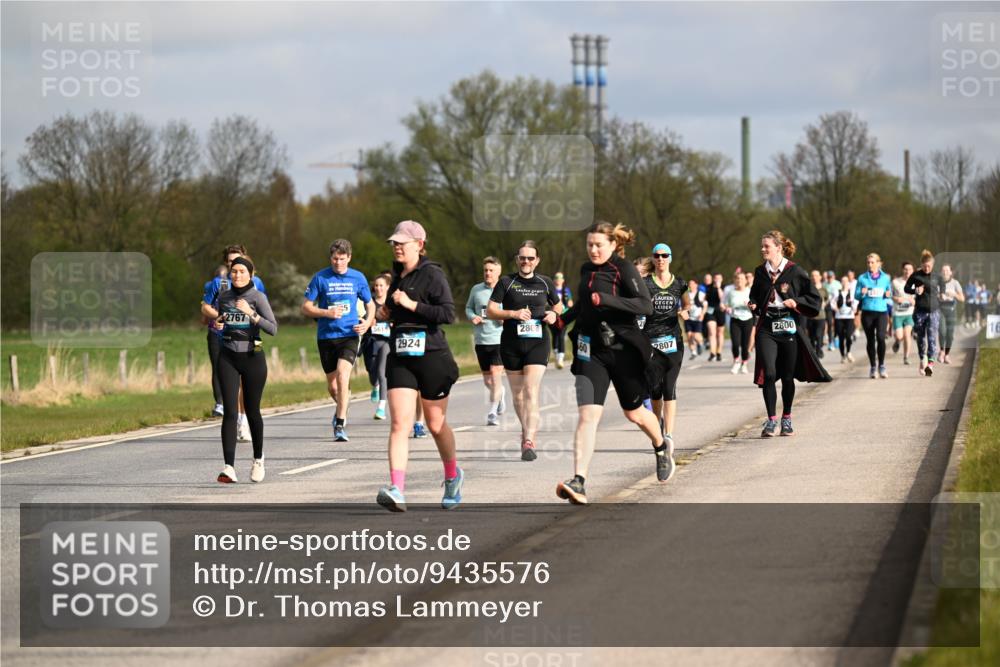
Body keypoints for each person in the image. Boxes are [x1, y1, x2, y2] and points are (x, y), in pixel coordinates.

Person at [554, 222, 668, 505]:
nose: (593, 250)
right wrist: (561, 320)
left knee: (634, 414)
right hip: (591, 351)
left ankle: (661, 445)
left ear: (614, 245)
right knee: (588, 416)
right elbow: (583, 304)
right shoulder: (586, 270)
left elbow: (645, 305)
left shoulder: (624, 269)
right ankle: (579, 481)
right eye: (589, 244)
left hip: (623, 351)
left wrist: (606, 299)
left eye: (598, 245)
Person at [376, 220, 462, 512]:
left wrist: (413, 305)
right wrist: (387, 311)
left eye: (403, 242)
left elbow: (448, 314)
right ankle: (397, 489)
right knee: (400, 423)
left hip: (432, 356)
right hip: (401, 356)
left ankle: (452, 476)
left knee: (436, 425)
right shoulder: (397, 276)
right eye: (394, 242)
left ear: (419, 245)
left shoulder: (433, 275)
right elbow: (393, 310)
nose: (397, 246)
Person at [748, 230, 831, 437]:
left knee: (786, 376)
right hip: (767, 327)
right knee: (768, 374)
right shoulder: (760, 272)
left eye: (766, 246)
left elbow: (813, 298)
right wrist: (753, 304)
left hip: (789, 326)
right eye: (762, 246)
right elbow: (755, 296)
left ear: (778, 248)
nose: (763, 249)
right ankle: (770, 421)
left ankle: (786, 418)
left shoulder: (795, 271)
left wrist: (797, 302)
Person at [488, 241, 560, 462]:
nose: (526, 261)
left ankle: (529, 439)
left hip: (538, 342)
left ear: (537, 261)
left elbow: (558, 306)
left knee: (531, 389)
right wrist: (513, 314)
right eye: (522, 258)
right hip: (511, 344)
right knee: (518, 396)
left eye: (530, 258)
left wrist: (554, 315)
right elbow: (491, 311)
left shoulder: (545, 282)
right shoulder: (506, 282)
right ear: (517, 260)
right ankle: (526, 428)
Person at [302, 239, 375, 442]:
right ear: (330, 258)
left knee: (343, 376)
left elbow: (371, 305)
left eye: (342, 259)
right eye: (335, 259)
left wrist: (367, 323)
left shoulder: (357, 278)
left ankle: (340, 424)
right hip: (326, 336)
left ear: (349, 258)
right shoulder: (320, 278)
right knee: (334, 387)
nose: (338, 263)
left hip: (350, 334)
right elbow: (305, 307)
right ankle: (341, 406)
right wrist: (326, 312)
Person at [213, 256, 277, 483]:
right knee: (230, 412)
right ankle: (228, 466)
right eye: (234, 271)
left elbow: (273, 328)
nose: (237, 275)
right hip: (228, 357)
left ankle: (258, 459)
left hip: (252, 357)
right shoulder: (224, 296)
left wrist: (252, 314)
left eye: (241, 271)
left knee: (252, 411)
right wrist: (218, 324)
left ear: (250, 274)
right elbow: (221, 322)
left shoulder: (258, 297)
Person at [201, 244, 267, 440]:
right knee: (233, 382)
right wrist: (221, 316)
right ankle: (236, 419)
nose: (234, 266)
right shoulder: (219, 284)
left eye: (237, 260)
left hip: (251, 338)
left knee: (248, 383)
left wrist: (253, 317)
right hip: (222, 337)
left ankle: (245, 420)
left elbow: (264, 310)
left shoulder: (257, 283)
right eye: (230, 263)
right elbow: (205, 308)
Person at [643, 243, 689, 472]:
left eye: (665, 255)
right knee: (655, 391)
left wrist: (686, 311)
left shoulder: (680, 283)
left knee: (670, 386)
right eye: (657, 256)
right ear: (653, 259)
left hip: (674, 343)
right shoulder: (646, 284)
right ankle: (658, 424)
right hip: (651, 343)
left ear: (670, 258)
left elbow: (687, 303)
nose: (661, 259)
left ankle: (668, 436)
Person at [465, 257, 506, 426]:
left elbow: (513, 311)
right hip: (481, 340)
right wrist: (473, 316)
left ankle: (492, 412)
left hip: (500, 339)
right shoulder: (476, 289)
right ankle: (500, 394)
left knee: (496, 375)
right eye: (485, 270)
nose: (487, 273)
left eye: (491, 270)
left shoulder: (505, 290)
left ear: (498, 272)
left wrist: (504, 318)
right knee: (488, 381)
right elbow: (468, 308)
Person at [905, 249, 944, 377]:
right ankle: (923, 358)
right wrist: (915, 290)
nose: (927, 268)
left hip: (934, 311)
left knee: (932, 336)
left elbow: (942, 285)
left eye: (929, 266)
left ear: (932, 265)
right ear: (921, 265)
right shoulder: (916, 275)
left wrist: (942, 294)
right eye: (925, 266)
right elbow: (906, 288)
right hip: (920, 312)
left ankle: (930, 364)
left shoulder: (937, 276)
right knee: (921, 337)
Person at [855, 253, 893, 379]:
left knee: (881, 338)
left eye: (872, 262)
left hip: (882, 312)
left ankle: (881, 365)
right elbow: (856, 295)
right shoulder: (862, 278)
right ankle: (872, 367)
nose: (870, 265)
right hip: (867, 313)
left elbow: (890, 292)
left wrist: (888, 294)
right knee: (870, 340)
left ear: (878, 263)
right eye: (868, 262)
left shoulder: (885, 278)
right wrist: (862, 292)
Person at [362, 272, 393, 419]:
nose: (379, 288)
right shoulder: (369, 303)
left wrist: (393, 323)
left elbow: (399, 317)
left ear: (387, 287)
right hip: (371, 341)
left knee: (382, 373)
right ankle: (375, 386)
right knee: (372, 371)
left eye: (381, 285)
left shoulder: (392, 303)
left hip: (387, 341)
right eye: (376, 286)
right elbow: (361, 319)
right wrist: (368, 322)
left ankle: (381, 407)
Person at [725, 270, 753, 374]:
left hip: (747, 319)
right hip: (735, 319)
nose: (739, 281)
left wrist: (750, 306)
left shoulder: (750, 291)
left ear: (746, 280)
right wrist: (727, 308)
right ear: (734, 281)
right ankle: (736, 361)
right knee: (735, 343)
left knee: (745, 345)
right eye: (737, 279)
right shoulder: (731, 292)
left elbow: (755, 306)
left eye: (741, 279)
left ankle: (744, 363)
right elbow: (725, 304)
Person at [938, 264, 965, 364]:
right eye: (943, 270)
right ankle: (941, 351)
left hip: (951, 311)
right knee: (942, 331)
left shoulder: (955, 283)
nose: (945, 272)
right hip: (940, 310)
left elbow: (962, 298)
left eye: (947, 270)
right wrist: (939, 296)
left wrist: (953, 294)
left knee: (950, 335)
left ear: (950, 272)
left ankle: (947, 354)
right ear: (941, 273)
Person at [891, 262, 916, 365]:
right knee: (900, 336)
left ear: (913, 271)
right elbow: (890, 295)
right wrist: (896, 299)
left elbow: (919, 297)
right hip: (898, 313)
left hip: (909, 313)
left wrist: (914, 302)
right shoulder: (896, 282)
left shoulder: (916, 283)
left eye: (910, 269)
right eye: (905, 269)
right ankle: (897, 341)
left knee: (907, 335)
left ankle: (906, 357)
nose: (907, 271)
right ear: (902, 270)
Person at [550, 271, 574, 369]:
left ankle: (560, 359)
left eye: (560, 279)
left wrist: (570, 304)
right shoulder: (551, 290)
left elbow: (570, 302)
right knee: (554, 335)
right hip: (553, 316)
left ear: (563, 280)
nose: (558, 280)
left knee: (561, 335)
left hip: (564, 316)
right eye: (556, 278)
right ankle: (556, 354)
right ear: (554, 280)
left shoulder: (566, 290)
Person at [833, 276, 858, 363]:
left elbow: (855, 302)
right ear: (841, 282)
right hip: (839, 317)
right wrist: (835, 308)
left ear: (848, 282)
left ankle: (848, 352)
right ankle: (842, 355)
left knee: (848, 336)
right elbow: (832, 302)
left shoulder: (852, 293)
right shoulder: (837, 292)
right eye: (843, 281)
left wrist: (854, 308)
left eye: (846, 281)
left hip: (849, 317)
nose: (844, 283)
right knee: (841, 337)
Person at [807, 270, 829, 360]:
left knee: (818, 335)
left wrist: (824, 303)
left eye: (816, 275)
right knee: (811, 336)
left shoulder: (824, 289)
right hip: (810, 316)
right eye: (812, 276)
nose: (814, 277)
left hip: (821, 316)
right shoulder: (809, 288)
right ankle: (813, 351)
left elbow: (827, 299)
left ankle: (819, 350)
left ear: (820, 277)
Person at [704, 273, 726, 361]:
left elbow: (722, 298)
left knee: (719, 333)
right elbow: (705, 298)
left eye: (719, 278)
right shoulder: (708, 287)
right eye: (716, 278)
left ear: (722, 279)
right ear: (713, 279)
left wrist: (718, 288)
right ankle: (712, 352)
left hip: (720, 311)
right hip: (710, 311)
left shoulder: (724, 287)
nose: (717, 280)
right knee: (711, 332)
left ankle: (719, 352)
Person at [685, 279, 707, 358]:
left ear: (696, 285)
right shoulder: (686, 295)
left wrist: (702, 314)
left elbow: (705, 305)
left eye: (692, 284)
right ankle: (693, 352)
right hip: (688, 318)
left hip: (698, 317)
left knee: (696, 335)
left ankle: (700, 344)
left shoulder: (701, 294)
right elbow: (682, 305)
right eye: (689, 284)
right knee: (689, 335)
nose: (691, 285)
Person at [823, 270, 840, 352]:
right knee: (829, 324)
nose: (829, 279)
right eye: (828, 277)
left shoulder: (838, 284)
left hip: (837, 306)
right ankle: (830, 342)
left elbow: (841, 295)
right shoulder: (824, 284)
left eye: (831, 277)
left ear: (834, 277)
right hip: (828, 306)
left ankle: (836, 337)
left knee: (837, 323)